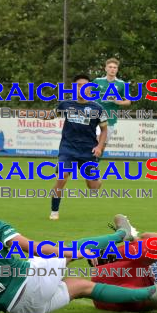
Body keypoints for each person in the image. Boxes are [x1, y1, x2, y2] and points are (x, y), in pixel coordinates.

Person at [0, 191, 157, 313]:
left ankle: (149, 294)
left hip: (19, 310)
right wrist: (66, 253)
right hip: (30, 282)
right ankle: (121, 235)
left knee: (83, 287)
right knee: (68, 250)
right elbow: (31, 247)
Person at [49, 74, 108, 220]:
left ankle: (97, 179)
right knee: (61, 177)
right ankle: (54, 211)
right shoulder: (66, 104)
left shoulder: (97, 108)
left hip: (87, 151)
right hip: (67, 149)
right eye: (79, 85)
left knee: (93, 187)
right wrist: (31, 113)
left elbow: (104, 130)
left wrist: (99, 147)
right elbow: (50, 115)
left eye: (85, 85)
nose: (82, 88)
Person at [94, 58, 131, 143]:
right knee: (94, 142)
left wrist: (119, 102)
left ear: (117, 70)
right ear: (106, 68)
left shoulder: (122, 84)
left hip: (110, 118)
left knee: (102, 146)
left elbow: (128, 101)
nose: (112, 69)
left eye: (115, 67)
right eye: (110, 67)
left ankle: (96, 156)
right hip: (96, 116)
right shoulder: (98, 81)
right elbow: (86, 93)